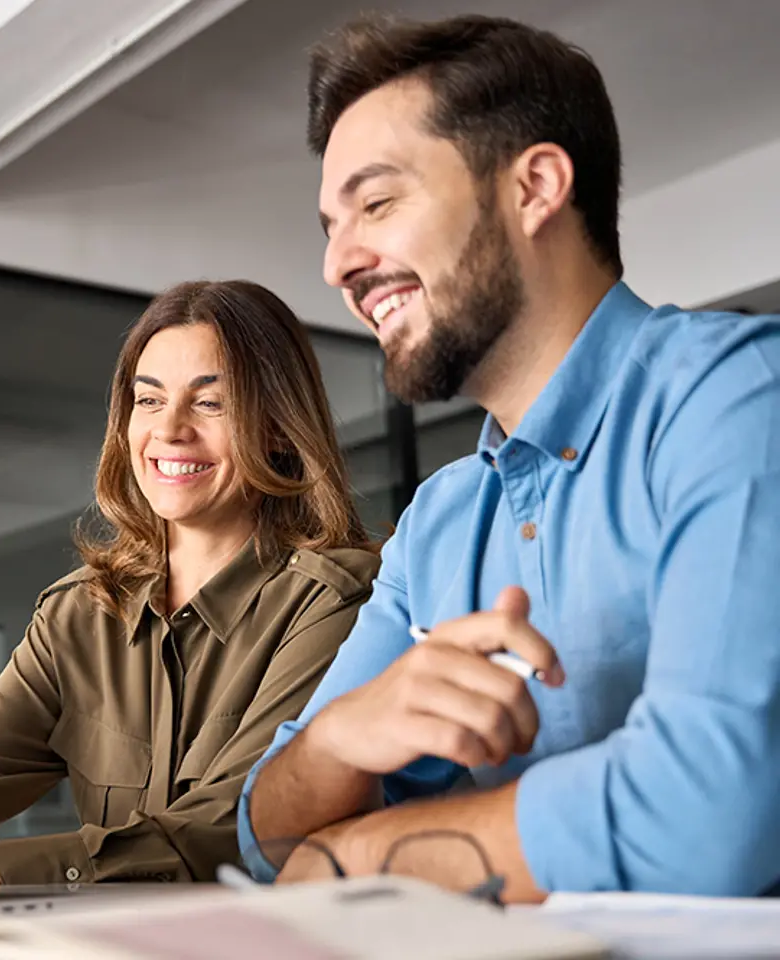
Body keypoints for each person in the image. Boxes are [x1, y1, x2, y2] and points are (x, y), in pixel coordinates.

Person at [238, 12, 780, 902]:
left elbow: (710, 816)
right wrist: (340, 740)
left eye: (376, 204)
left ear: (535, 187)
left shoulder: (736, 396)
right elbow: (266, 836)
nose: (337, 264)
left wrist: (363, 856)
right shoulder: (438, 524)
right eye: (330, 226)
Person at [0, 279, 379, 889]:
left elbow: (229, 825)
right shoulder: (79, 612)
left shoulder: (337, 600)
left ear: (278, 427)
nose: (170, 430)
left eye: (211, 403)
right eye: (149, 400)